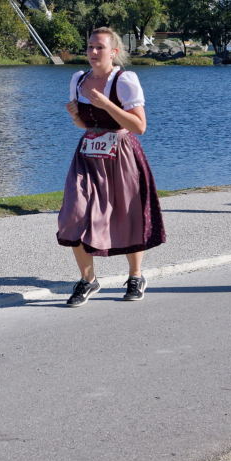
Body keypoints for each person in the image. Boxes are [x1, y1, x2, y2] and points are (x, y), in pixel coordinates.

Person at [57, 27, 166, 307]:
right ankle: (88, 279)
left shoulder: (124, 80)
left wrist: (107, 105)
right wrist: (75, 117)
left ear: (113, 52)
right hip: (88, 154)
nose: (93, 52)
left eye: (100, 47)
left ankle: (135, 276)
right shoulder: (79, 79)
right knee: (73, 213)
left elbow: (139, 126)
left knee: (128, 213)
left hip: (121, 153)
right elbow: (85, 124)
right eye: (90, 46)